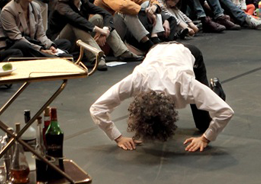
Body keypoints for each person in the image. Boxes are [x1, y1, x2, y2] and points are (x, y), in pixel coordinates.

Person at [90, 43, 232, 153]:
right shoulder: (137, 80)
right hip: (156, 51)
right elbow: (97, 108)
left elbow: (225, 111)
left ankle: (215, 90)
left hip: (188, 51)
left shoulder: (185, 85)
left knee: (204, 126)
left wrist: (206, 138)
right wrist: (117, 137)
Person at [50, 0, 137, 70]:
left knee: (98, 17)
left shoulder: (82, 2)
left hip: (79, 38)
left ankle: (122, 52)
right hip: (60, 42)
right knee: (76, 24)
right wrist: (98, 30)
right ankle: (96, 57)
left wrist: (106, 29)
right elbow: (76, 19)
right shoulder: (61, 5)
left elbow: (106, 14)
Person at [0, 0, 69, 59]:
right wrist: (40, 49)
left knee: (64, 43)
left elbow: (40, 35)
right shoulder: (8, 10)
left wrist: (50, 46)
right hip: (12, 46)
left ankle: (49, 55)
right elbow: (16, 38)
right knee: (22, 45)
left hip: (32, 45)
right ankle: (53, 57)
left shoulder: (36, 7)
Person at [94, 0, 164, 51]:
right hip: (105, 32)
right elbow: (121, 6)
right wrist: (144, 10)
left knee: (149, 4)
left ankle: (154, 36)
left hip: (119, 29)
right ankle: (146, 43)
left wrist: (153, 7)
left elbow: (147, 0)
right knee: (126, 12)